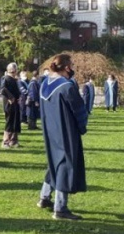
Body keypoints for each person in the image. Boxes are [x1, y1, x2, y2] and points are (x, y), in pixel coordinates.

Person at [37, 54, 88, 220]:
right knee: (65, 165)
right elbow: (79, 110)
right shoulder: (67, 87)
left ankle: (44, 197)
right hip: (66, 131)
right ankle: (60, 208)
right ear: (66, 67)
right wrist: (82, 127)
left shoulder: (44, 84)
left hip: (50, 131)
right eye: (71, 65)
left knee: (55, 161)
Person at [0, 63, 21, 148]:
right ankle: (5, 141)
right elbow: (3, 89)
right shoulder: (6, 78)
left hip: (15, 103)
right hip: (9, 103)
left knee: (15, 121)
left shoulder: (14, 79)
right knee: (9, 122)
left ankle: (14, 140)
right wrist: (11, 98)